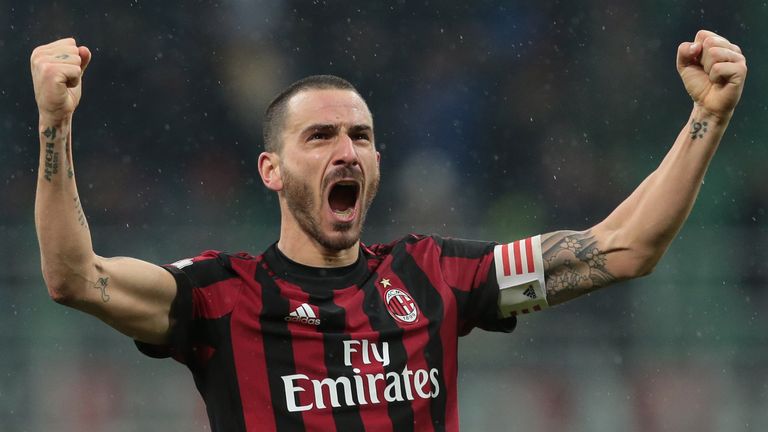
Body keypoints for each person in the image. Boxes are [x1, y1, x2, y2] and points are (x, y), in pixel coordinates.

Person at [30, 29, 746, 432]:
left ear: (376, 160)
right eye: (320, 137)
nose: (346, 150)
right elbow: (73, 276)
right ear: (271, 170)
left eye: (361, 136)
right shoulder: (219, 294)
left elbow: (625, 248)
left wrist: (708, 116)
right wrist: (56, 125)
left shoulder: (432, 276)